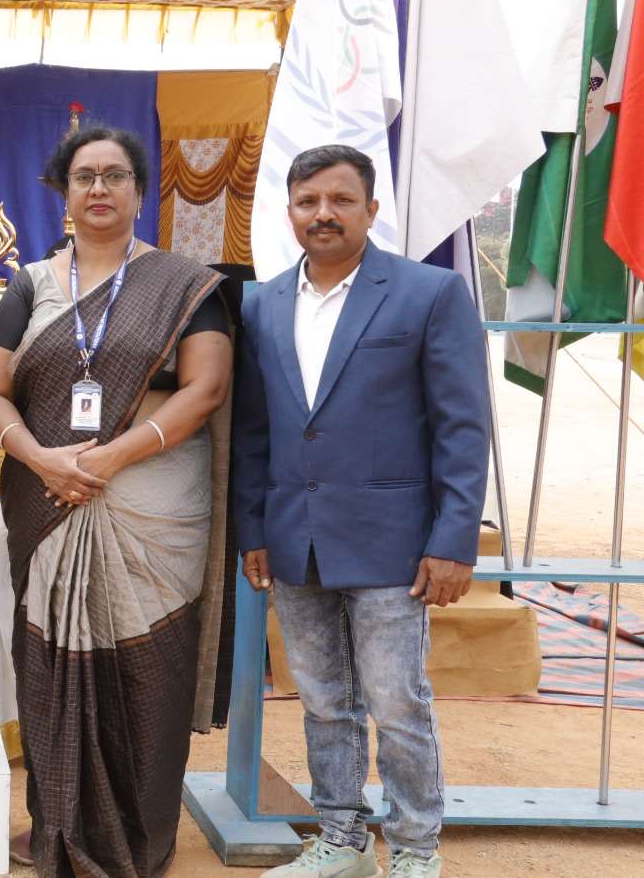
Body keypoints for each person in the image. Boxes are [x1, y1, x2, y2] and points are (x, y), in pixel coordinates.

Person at [0, 124, 235, 878]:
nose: (98, 188)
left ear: (138, 192)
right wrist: (42, 459)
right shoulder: (30, 285)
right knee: (49, 661)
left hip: (155, 504)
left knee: (150, 661)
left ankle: (139, 836)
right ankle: (57, 826)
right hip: (48, 495)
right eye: (84, 176)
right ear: (63, 195)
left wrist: (110, 457)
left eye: (114, 175)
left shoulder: (183, 284)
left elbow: (206, 388)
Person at [234, 145, 489, 878]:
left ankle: (414, 849)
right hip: (295, 539)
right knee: (322, 701)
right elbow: (255, 431)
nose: (324, 213)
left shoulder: (427, 293)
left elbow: (463, 427)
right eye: (308, 201)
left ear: (372, 210)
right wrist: (254, 530)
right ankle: (341, 840)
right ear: (289, 212)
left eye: (341, 200)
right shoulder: (262, 304)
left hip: (394, 544)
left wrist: (454, 540)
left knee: (397, 703)